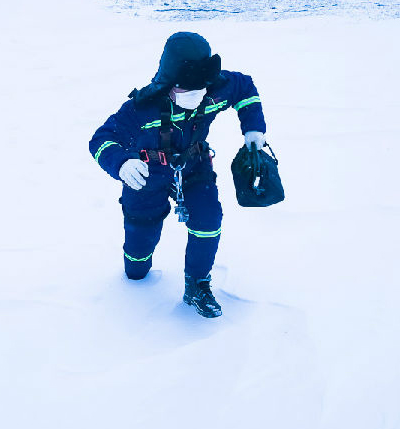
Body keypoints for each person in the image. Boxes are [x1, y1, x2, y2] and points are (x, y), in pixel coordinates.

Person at [88, 32, 268, 318]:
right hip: (146, 175)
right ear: (169, 83)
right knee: (138, 254)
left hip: (194, 165)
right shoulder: (141, 108)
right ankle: (137, 265)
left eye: (201, 90)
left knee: (209, 219)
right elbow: (101, 139)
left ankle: (197, 284)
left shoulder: (217, 88)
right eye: (187, 91)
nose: (196, 97)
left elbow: (245, 88)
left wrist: (253, 128)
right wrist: (121, 163)